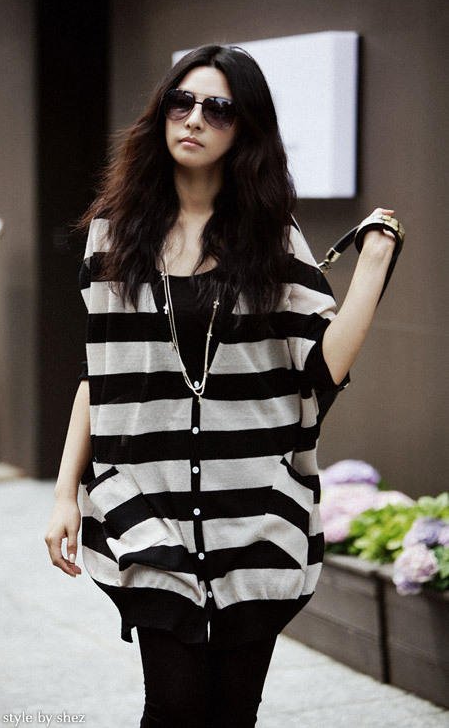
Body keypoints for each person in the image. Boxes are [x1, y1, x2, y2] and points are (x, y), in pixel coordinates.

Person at [44, 44, 399, 727]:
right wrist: (65, 492)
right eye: (181, 102)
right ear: (161, 114)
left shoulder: (271, 238)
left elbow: (323, 365)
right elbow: (101, 374)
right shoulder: (112, 239)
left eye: (219, 109)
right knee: (173, 706)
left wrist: (376, 262)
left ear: (245, 129)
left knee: (234, 712)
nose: (195, 119)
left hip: (255, 514)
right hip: (146, 507)